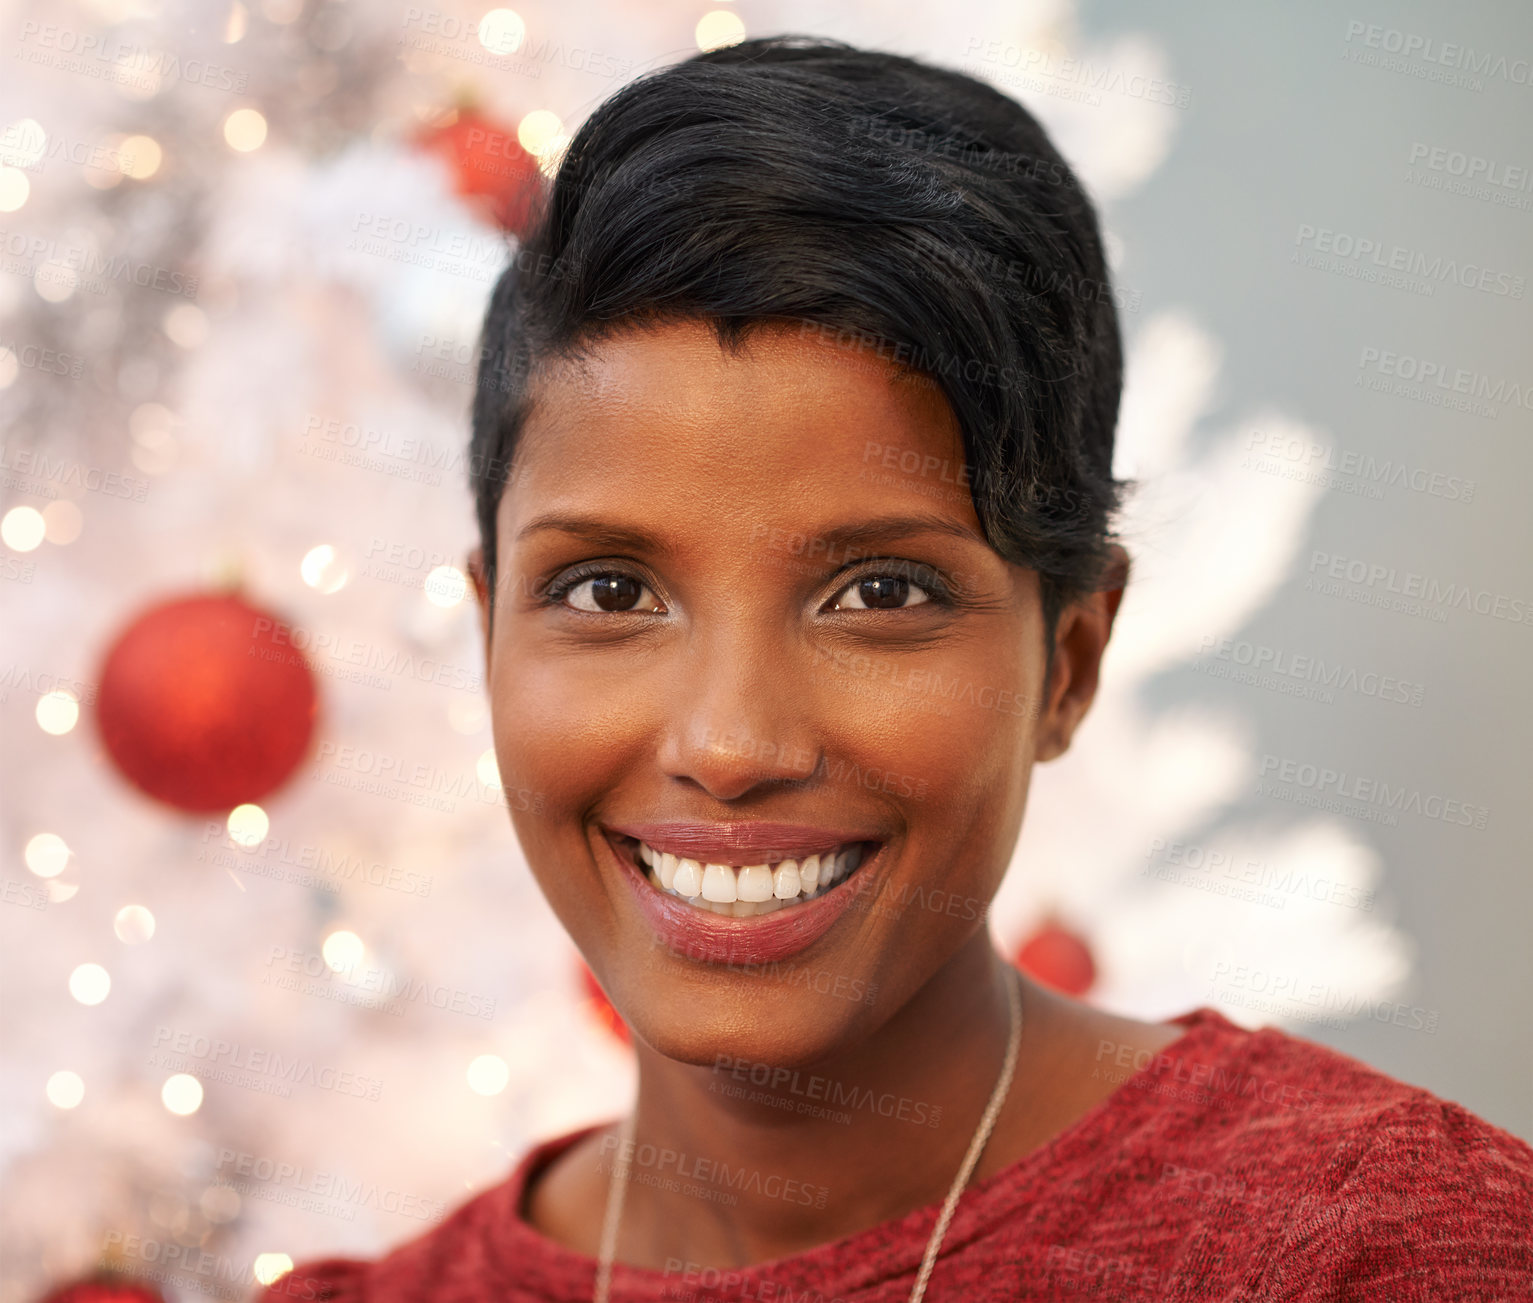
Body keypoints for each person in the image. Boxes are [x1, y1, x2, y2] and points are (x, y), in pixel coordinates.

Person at [261, 35, 1532, 1303]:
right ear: (490, 638)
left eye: (880, 592)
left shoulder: (1392, 1250)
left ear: (1069, 663)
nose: (731, 741)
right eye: (609, 591)